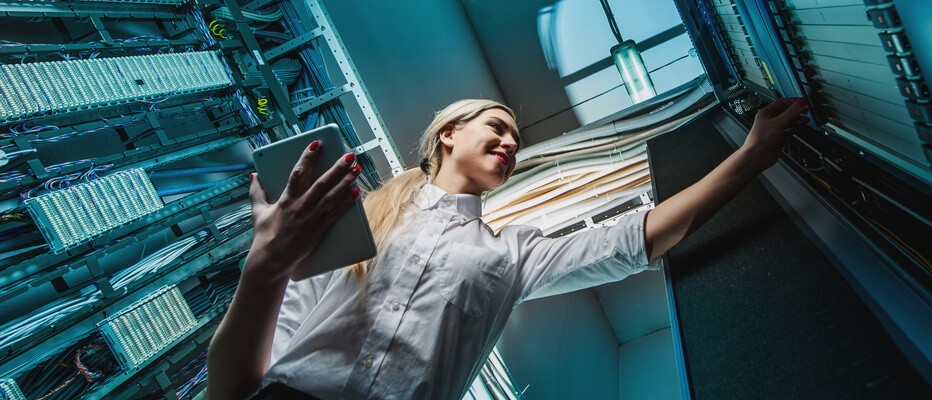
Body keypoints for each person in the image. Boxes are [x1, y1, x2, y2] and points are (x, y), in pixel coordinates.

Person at [207, 97, 809, 399]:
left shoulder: (509, 254)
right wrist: (267, 263)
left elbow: (637, 238)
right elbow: (235, 383)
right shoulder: (360, 218)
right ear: (448, 134)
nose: (509, 143)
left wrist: (751, 157)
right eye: (496, 127)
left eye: (515, 141)